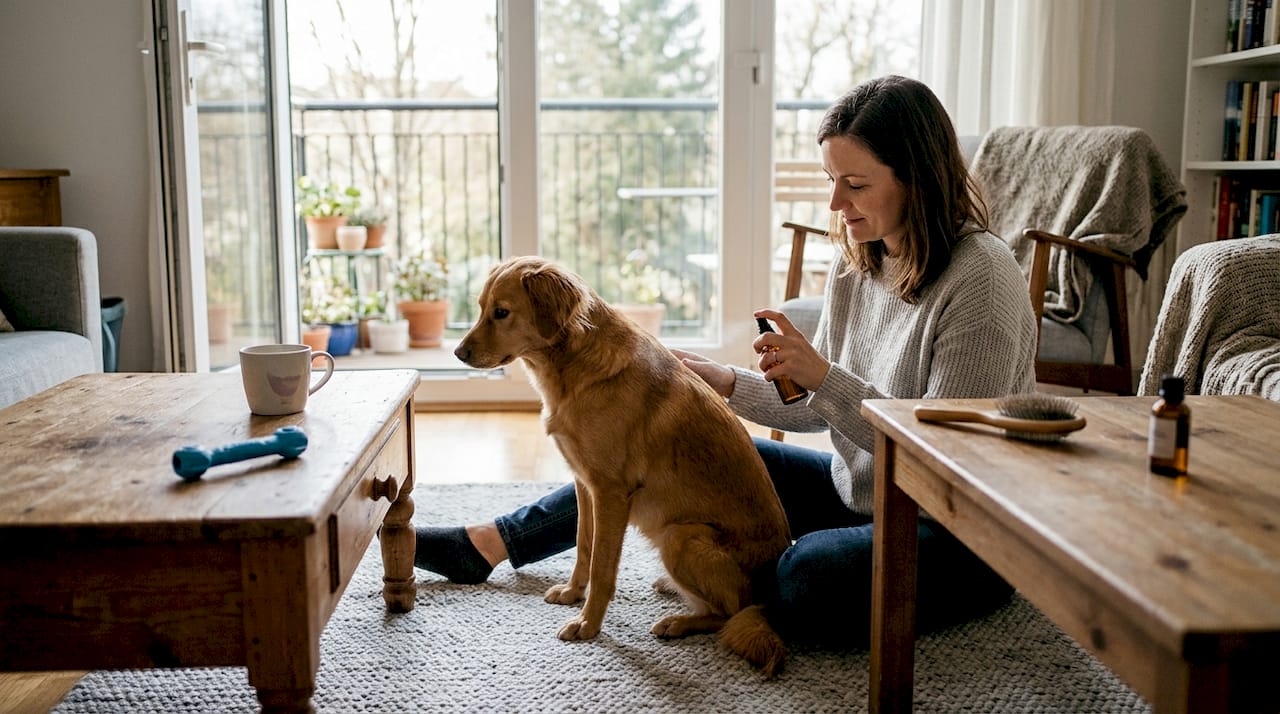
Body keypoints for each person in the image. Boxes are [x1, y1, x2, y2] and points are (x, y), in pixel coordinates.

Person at [414, 74, 1038, 645]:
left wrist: (823, 376)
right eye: (830, 181)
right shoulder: (863, 263)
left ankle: (811, 569)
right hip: (861, 490)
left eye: (855, 185)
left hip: (956, 529)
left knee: (802, 577)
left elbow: (951, 453)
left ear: (916, 178)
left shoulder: (981, 277)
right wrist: (724, 383)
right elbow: (820, 414)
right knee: (659, 455)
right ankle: (490, 543)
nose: (835, 205)